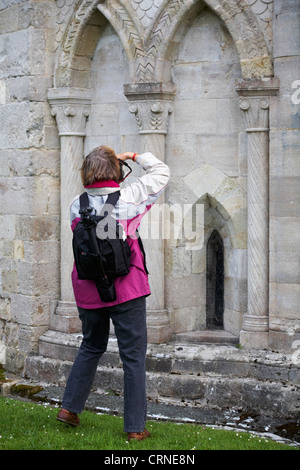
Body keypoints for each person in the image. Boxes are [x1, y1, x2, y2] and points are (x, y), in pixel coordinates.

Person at [56, 145, 170, 441]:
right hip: (126, 288)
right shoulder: (130, 197)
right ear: (116, 171)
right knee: (132, 356)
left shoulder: (75, 204)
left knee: (91, 346)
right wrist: (133, 157)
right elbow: (162, 172)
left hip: (88, 288)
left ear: (86, 172)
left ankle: (69, 409)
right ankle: (135, 427)